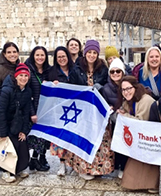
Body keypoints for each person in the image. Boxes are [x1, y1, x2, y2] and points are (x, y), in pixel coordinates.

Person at [69, 39, 112, 180]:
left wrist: (99, 88)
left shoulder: (103, 68)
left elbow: (107, 85)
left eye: (95, 52)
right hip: (83, 109)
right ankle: (83, 168)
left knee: (100, 138)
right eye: (90, 52)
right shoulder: (77, 68)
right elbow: (72, 87)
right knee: (84, 138)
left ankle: (98, 169)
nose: (92, 55)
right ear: (85, 52)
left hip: (97, 109)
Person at [116, 76, 157, 191]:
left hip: (150, 137)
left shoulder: (145, 100)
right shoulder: (127, 102)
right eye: (123, 90)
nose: (126, 92)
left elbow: (141, 123)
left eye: (129, 88)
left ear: (135, 87)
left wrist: (124, 116)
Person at [47, 46, 75, 176]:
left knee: (73, 137)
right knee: (60, 138)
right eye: (59, 57)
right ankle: (62, 164)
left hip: (75, 109)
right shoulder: (52, 72)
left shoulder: (75, 69)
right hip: (59, 111)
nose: (62, 59)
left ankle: (73, 162)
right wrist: (53, 85)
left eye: (64, 56)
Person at [25, 46, 52, 172]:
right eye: (37, 55)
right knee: (37, 136)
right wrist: (32, 113)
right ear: (33, 56)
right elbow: (26, 93)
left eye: (42, 55)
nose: (40, 57)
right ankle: (34, 159)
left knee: (45, 135)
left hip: (47, 108)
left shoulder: (49, 71)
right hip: (35, 108)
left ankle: (42, 157)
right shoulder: (29, 71)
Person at [101, 58, 127, 179]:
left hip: (126, 118)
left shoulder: (128, 85)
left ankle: (123, 167)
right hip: (113, 120)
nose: (115, 74)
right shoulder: (106, 88)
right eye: (113, 71)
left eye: (118, 71)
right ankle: (116, 166)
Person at [0, 42, 20, 109]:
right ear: (4, 54)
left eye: (14, 52)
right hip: (2, 107)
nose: (12, 54)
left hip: (16, 107)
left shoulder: (21, 68)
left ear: (18, 53)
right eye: (9, 52)